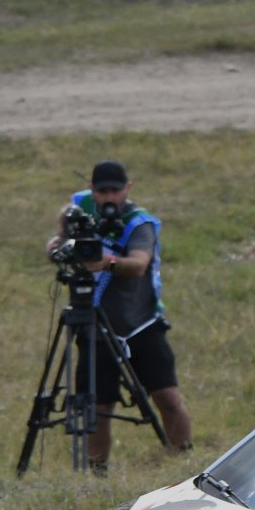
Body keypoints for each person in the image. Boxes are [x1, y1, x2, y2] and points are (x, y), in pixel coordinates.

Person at [46, 160, 192, 473]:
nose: (109, 197)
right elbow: (61, 233)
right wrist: (58, 245)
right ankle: (97, 473)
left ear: (128, 188)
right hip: (93, 325)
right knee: (98, 407)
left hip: (141, 324)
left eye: (116, 190)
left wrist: (105, 263)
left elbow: (139, 265)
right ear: (92, 189)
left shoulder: (140, 222)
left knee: (166, 396)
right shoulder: (81, 205)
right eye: (102, 191)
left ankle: (182, 460)